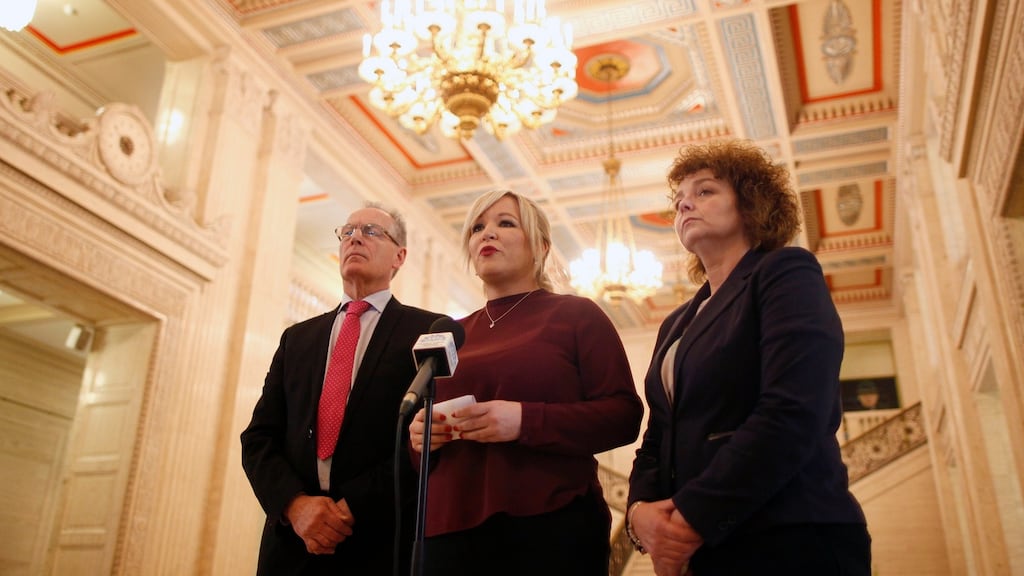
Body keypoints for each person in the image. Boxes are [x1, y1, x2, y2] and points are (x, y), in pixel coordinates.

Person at [626, 139, 871, 576]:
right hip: (704, 549)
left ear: (750, 203)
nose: (685, 206)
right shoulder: (676, 322)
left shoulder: (785, 271)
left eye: (704, 192)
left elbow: (795, 409)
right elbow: (660, 431)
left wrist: (692, 515)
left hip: (789, 534)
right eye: (680, 200)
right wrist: (639, 511)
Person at [408, 189, 644, 575]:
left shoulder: (575, 315)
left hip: (548, 524)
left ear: (541, 247)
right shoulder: (451, 332)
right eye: (478, 228)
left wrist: (522, 421)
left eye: (505, 223)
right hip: (448, 529)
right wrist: (420, 437)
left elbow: (622, 416)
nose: (488, 234)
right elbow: (419, 455)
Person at [241, 202, 449, 576]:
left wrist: (351, 506)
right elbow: (259, 437)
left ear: (399, 256)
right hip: (291, 545)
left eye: (371, 231)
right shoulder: (297, 339)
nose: (355, 237)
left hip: (376, 542)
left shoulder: (428, 330)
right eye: (348, 231)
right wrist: (296, 505)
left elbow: (425, 442)